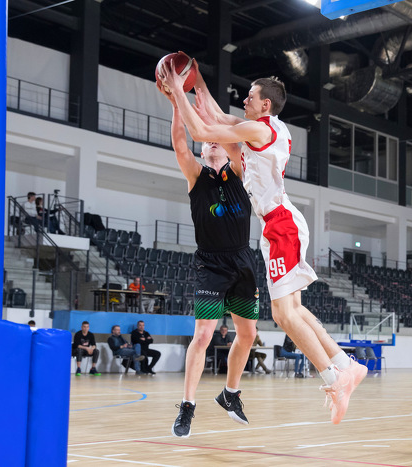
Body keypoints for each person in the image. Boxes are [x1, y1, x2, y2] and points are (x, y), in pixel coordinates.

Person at [159, 61, 368, 425]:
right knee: (295, 310)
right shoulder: (263, 130)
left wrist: (177, 90)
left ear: (265, 104)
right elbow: (215, 116)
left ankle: (335, 378)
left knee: (284, 315)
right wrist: (197, 80)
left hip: (280, 225)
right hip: (278, 225)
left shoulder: (259, 129)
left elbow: (202, 128)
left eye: (250, 96)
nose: (245, 100)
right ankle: (344, 364)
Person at [158, 85, 260, 438]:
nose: (214, 143)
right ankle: (187, 406)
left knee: (248, 334)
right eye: (208, 141)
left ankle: (230, 394)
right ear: (203, 149)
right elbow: (179, 144)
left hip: (243, 260)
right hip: (210, 264)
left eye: (218, 140)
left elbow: (236, 144)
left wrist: (213, 120)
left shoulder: (239, 173)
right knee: (203, 334)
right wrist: (178, 103)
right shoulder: (196, 176)